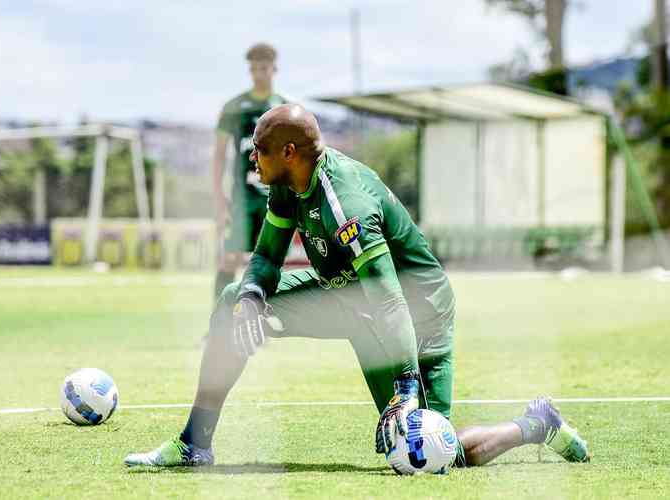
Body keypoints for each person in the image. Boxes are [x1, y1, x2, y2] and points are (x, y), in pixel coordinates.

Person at [124, 104, 589, 469]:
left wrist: (406, 389)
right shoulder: (287, 183)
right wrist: (250, 297)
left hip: (415, 311)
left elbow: (389, 300)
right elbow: (266, 257)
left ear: (289, 153)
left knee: (430, 454)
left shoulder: (346, 205)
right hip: (350, 297)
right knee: (233, 301)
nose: (252, 156)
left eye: (260, 147)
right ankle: (194, 446)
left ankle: (536, 424)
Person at [212, 42, 289, 299]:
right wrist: (219, 196)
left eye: (264, 68)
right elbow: (219, 155)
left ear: (274, 69)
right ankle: (219, 327)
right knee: (229, 258)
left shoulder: (284, 108)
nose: (259, 74)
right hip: (241, 198)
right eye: (254, 69)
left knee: (267, 262)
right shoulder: (234, 108)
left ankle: (256, 324)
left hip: (274, 196)